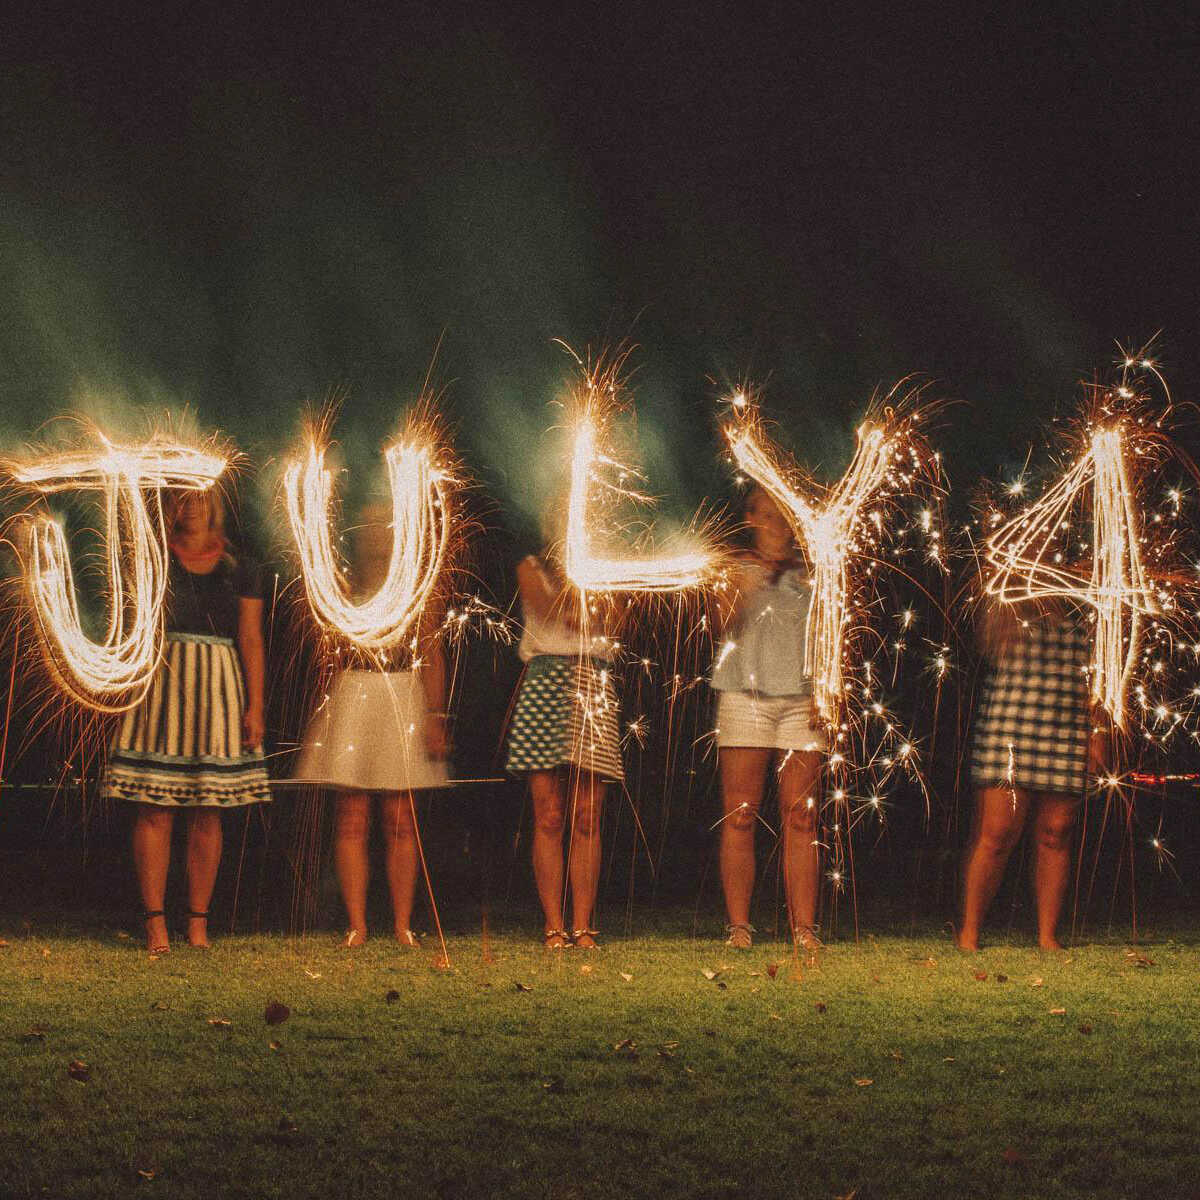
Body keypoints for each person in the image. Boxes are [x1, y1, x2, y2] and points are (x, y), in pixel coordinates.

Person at [103, 488, 270, 954]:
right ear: (169, 505)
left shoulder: (241, 566)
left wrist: (255, 705)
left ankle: (198, 922)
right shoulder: (155, 558)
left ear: (215, 501)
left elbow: (251, 638)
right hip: (163, 683)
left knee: (207, 808)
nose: (190, 504)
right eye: (180, 497)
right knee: (154, 807)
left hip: (218, 684)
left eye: (199, 496)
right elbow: (133, 621)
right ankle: (155, 923)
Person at [293, 507, 452, 947]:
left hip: (402, 695)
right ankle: (357, 925)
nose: (378, 541)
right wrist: (322, 712)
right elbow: (325, 656)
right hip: (353, 696)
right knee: (351, 816)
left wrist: (435, 716)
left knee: (401, 819)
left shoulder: (420, 590)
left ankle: (402, 924)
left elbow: (434, 655)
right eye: (370, 533)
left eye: (387, 530)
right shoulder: (341, 587)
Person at [958, 597, 1108, 951]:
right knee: (998, 831)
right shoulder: (1010, 589)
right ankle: (969, 932)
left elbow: (1104, 669)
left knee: (1056, 832)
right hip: (1011, 717)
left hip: (1071, 721)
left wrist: (1099, 733)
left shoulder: (1091, 595)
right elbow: (990, 640)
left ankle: (1047, 936)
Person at [711, 486, 824, 950]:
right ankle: (739, 926)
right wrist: (746, 585)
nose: (778, 524)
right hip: (745, 696)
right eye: (768, 515)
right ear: (752, 519)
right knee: (740, 815)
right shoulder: (733, 567)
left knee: (801, 817)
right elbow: (719, 625)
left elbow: (832, 638)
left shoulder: (815, 571)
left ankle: (804, 929)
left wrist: (827, 693)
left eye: (785, 516)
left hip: (803, 700)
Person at [505, 551, 623, 949]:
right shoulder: (531, 566)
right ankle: (553, 924)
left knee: (587, 814)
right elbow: (560, 613)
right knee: (549, 814)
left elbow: (617, 620)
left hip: (593, 680)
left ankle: (584, 925)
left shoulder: (611, 565)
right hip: (545, 681)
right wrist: (578, 580)